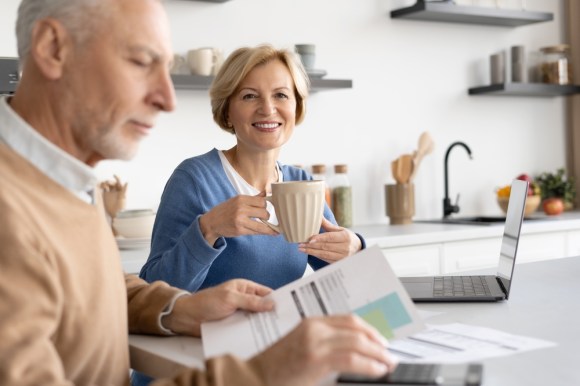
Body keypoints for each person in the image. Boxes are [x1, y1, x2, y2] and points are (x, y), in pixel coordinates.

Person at [0, 1, 397, 386]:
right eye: (140, 62)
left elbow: (91, 288)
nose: (168, 99)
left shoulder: (67, 185)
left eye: (281, 95)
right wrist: (263, 373)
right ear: (54, 48)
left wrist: (179, 309)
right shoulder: (14, 203)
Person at [139, 44, 365, 293]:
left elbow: (350, 285)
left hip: (284, 328)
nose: (267, 109)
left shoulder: (301, 183)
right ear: (227, 113)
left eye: (281, 95)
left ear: (297, 108)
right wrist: (208, 229)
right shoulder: (195, 180)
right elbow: (153, 289)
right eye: (249, 96)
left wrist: (355, 248)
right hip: (208, 331)